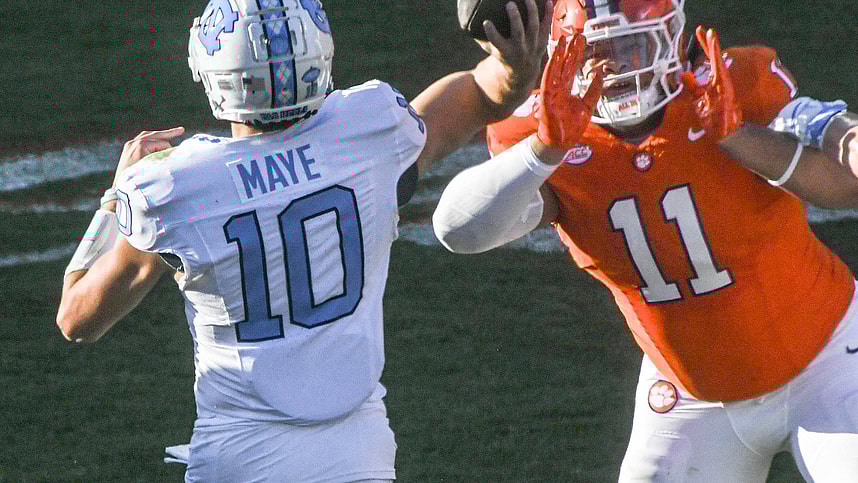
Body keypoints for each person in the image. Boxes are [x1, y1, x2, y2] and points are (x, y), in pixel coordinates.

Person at [55, 0, 551, 481]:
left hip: (239, 453)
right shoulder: (370, 129)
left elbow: (77, 318)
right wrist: (515, 62)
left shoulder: (173, 187)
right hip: (358, 449)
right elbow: (484, 96)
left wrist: (112, 203)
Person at [432, 0, 858, 480]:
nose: (613, 69)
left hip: (829, 362)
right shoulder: (541, 131)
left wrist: (740, 137)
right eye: (595, 52)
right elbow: (457, 231)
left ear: (671, 35)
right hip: (688, 395)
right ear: (563, 53)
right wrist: (542, 151)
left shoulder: (731, 84)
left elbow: (848, 186)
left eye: (630, 45)